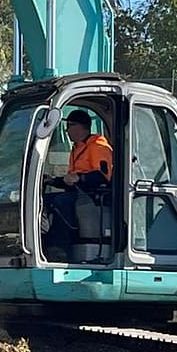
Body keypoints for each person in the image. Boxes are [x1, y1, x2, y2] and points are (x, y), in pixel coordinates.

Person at [44, 109, 114, 260]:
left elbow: (104, 176)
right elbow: (71, 180)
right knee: (45, 200)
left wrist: (80, 178)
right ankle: (46, 243)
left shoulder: (98, 146)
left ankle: (60, 247)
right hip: (79, 192)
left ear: (81, 127)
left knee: (60, 202)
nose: (67, 131)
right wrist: (52, 180)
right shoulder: (77, 149)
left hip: (94, 196)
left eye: (69, 126)